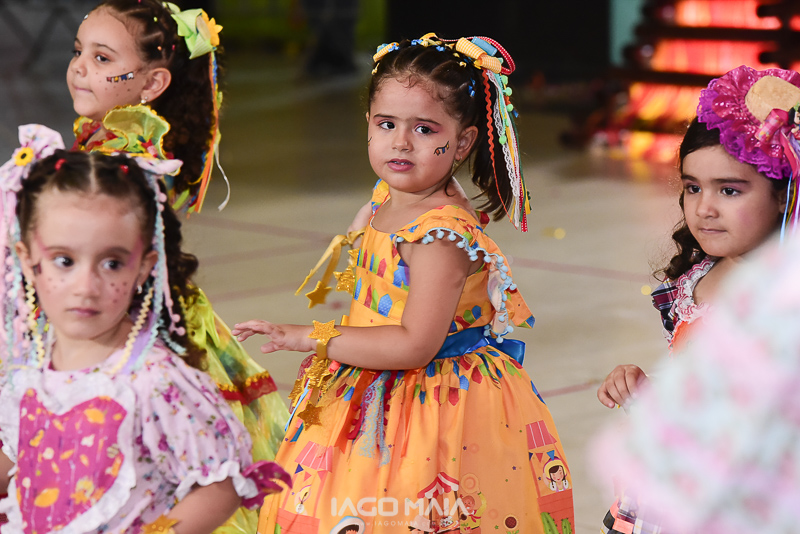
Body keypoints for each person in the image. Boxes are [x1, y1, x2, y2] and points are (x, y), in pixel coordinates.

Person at [233, 33, 575, 533]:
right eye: (387, 124)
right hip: (372, 380)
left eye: (424, 129)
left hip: (434, 406)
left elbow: (416, 345)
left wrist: (312, 337)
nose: (400, 142)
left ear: (462, 142)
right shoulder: (384, 197)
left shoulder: (440, 236)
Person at [65, 3, 290, 528]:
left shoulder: (127, 156)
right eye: (78, 51)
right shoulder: (108, 137)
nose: (79, 67)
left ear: (152, 83)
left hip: (136, 328)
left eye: (102, 58)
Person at [0, 126, 289, 533]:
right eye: (64, 261)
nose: (86, 286)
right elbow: (26, 456)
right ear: (28, 261)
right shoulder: (28, 369)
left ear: (143, 268)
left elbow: (219, 487)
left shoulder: (154, 381)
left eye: (112, 263)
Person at [596, 64, 800, 534]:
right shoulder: (695, 280)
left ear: (783, 195)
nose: (704, 208)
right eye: (693, 188)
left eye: (729, 190)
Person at [595, 232, 800, 533]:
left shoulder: (786, 289)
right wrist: (647, 389)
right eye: (691, 200)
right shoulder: (692, 280)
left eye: (730, 199)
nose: (706, 210)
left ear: (783, 204)